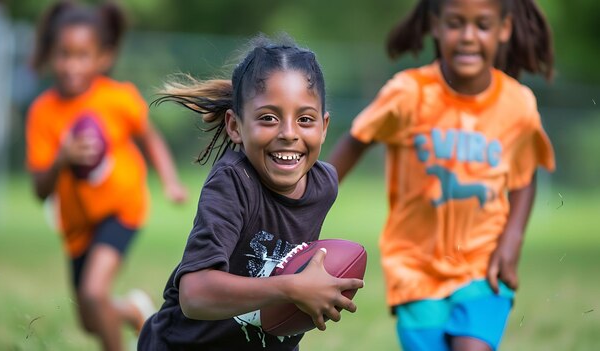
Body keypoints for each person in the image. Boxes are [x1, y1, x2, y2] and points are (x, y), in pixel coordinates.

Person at [328, 0, 555, 350]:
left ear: (504, 29)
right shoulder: (408, 94)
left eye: (481, 25)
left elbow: (525, 177)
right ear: (435, 25)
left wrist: (511, 242)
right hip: (415, 267)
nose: (467, 36)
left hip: (483, 265)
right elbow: (356, 141)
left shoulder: (518, 104)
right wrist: (310, 202)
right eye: (455, 23)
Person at [138, 35, 365, 351]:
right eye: (268, 118)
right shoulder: (233, 182)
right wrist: (290, 288)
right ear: (235, 126)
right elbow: (194, 294)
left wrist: (309, 290)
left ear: (324, 127)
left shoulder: (323, 184)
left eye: (305, 119)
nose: (288, 133)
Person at [25, 1, 187, 350]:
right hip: (77, 224)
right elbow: (39, 190)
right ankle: (132, 312)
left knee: (94, 292)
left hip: (121, 208)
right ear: (51, 54)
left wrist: (170, 180)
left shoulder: (118, 98)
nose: (71, 65)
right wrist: (61, 160)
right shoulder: (42, 113)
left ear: (102, 58)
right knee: (89, 318)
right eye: (63, 54)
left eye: (82, 55)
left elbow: (150, 138)